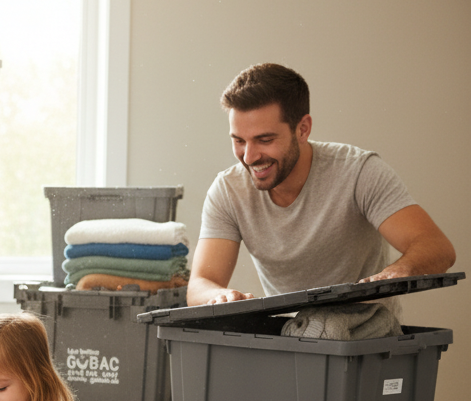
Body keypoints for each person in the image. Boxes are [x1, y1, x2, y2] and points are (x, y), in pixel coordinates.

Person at [189, 62, 456, 307]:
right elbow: (199, 285)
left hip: (365, 338)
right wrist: (219, 296)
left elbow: (437, 247)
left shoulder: (359, 172)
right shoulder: (228, 190)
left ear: (303, 129)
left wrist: (398, 271)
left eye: (265, 139)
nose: (249, 157)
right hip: (289, 338)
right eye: (239, 141)